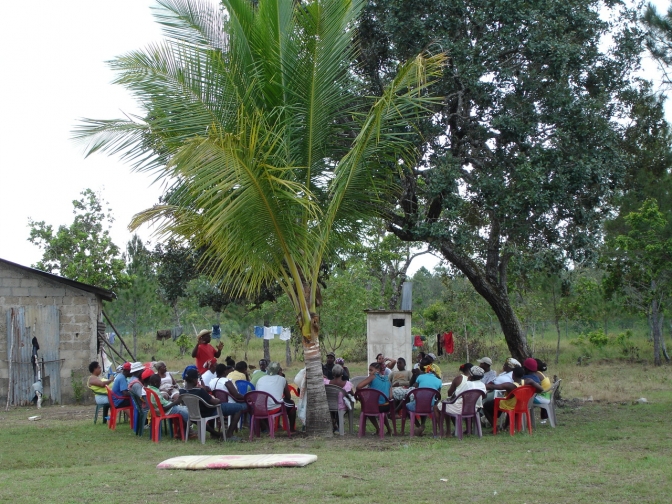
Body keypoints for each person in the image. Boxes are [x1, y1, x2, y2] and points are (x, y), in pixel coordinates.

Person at [180, 368, 225, 440]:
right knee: (214, 407)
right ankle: (215, 434)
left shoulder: (181, 391)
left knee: (208, 410)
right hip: (204, 412)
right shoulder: (200, 390)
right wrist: (218, 400)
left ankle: (215, 434)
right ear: (194, 380)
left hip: (191, 412)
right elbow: (213, 402)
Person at [207, 364, 248, 439]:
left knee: (239, 406)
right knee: (242, 407)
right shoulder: (226, 381)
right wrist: (247, 398)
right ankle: (229, 433)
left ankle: (213, 434)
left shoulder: (212, 381)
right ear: (225, 371)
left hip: (216, 406)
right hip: (227, 405)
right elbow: (236, 395)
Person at [255, 362, 297, 432]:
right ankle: (292, 429)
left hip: (260, 408)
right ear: (279, 371)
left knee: (268, 404)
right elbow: (288, 397)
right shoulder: (282, 379)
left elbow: (258, 394)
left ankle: (268, 428)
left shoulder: (260, 379)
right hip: (275, 408)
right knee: (291, 404)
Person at [146, 373, 191, 438]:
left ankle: (181, 431)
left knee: (185, 408)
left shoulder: (149, 388)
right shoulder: (156, 393)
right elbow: (163, 408)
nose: (160, 385)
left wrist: (170, 402)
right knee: (185, 412)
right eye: (160, 383)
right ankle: (188, 430)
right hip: (167, 410)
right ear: (155, 383)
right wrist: (175, 402)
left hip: (161, 409)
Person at [406, 357, 442, 436]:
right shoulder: (439, 381)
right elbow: (438, 397)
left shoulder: (419, 377)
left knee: (407, 406)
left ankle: (419, 426)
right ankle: (423, 426)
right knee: (426, 402)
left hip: (418, 405)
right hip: (431, 407)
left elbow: (415, 391)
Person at [355, 362, 392, 436]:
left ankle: (378, 429)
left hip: (374, 407)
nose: (369, 372)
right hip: (386, 407)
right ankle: (389, 429)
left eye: (371, 370)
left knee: (368, 409)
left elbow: (358, 387)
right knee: (382, 413)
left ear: (377, 370)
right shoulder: (388, 379)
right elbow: (391, 397)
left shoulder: (372, 377)